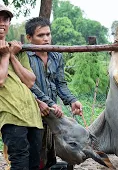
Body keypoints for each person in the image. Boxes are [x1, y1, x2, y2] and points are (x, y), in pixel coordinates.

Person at [25, 17, 83, 169]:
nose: (46, 39)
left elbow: (60, 84)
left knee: (51, 154)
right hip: (32, 111)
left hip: (52, 113)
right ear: (29, 38)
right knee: (35, 155)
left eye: (48, 34)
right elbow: (27, 85)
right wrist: (45, 102)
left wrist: (72, 100)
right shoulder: (25, 57)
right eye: (40, 35)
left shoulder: (56, 55)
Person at [0, 4, 44, 169]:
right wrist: (5, 56)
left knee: (34, 163)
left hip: (32, 116)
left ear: (10, 22)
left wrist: (12, 56)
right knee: (19, 161)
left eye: (5, 19)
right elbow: (0, 80)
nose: (1, 23)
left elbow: (30, 80)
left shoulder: (18, 50)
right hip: (11, 115)